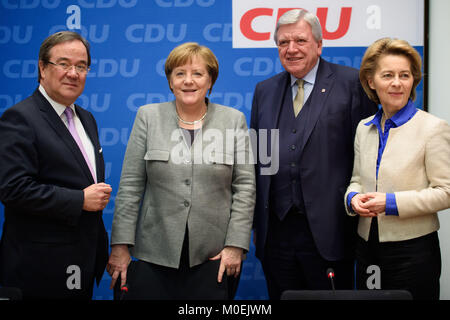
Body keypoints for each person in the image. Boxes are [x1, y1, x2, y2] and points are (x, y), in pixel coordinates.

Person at [107, 42, 255, 300]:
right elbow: (130, 187)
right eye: (180, 73)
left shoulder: (233, 120)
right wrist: (120, 246)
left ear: (210, 80)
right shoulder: (148, 116)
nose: (188, 81)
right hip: (153, 253)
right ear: (170, 81)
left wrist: (235, 245)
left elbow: (245, 188)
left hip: (214, 257)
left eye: (197, 73)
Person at [250, 9, 378, 299]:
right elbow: (260, 160)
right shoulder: (264, 91)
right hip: (277, 235)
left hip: (331, 231)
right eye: (283, 43)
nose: (291, 49)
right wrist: (259, 225)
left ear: (319, 45)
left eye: (300, 40)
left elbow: (368, 153)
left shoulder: (352, 84)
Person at [0, 31, 111, 299]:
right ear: (42, 67)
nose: (73, 73)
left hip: (79, 265)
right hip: (39, 268)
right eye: (63, 64)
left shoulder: (86, 118)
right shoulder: (20, 118)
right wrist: (79, 200)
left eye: (81, 66)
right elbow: (13, 189)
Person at [345, 38, 450, 300]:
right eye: (388, 75)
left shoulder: (433, 128)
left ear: (413, 80)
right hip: (367, 246)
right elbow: (357, 180)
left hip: (413, 251)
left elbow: (445, 192)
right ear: (371, 82)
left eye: (405, 75)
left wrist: (389, 203)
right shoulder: (364, 127)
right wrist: (352, 198)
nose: (396, 83)